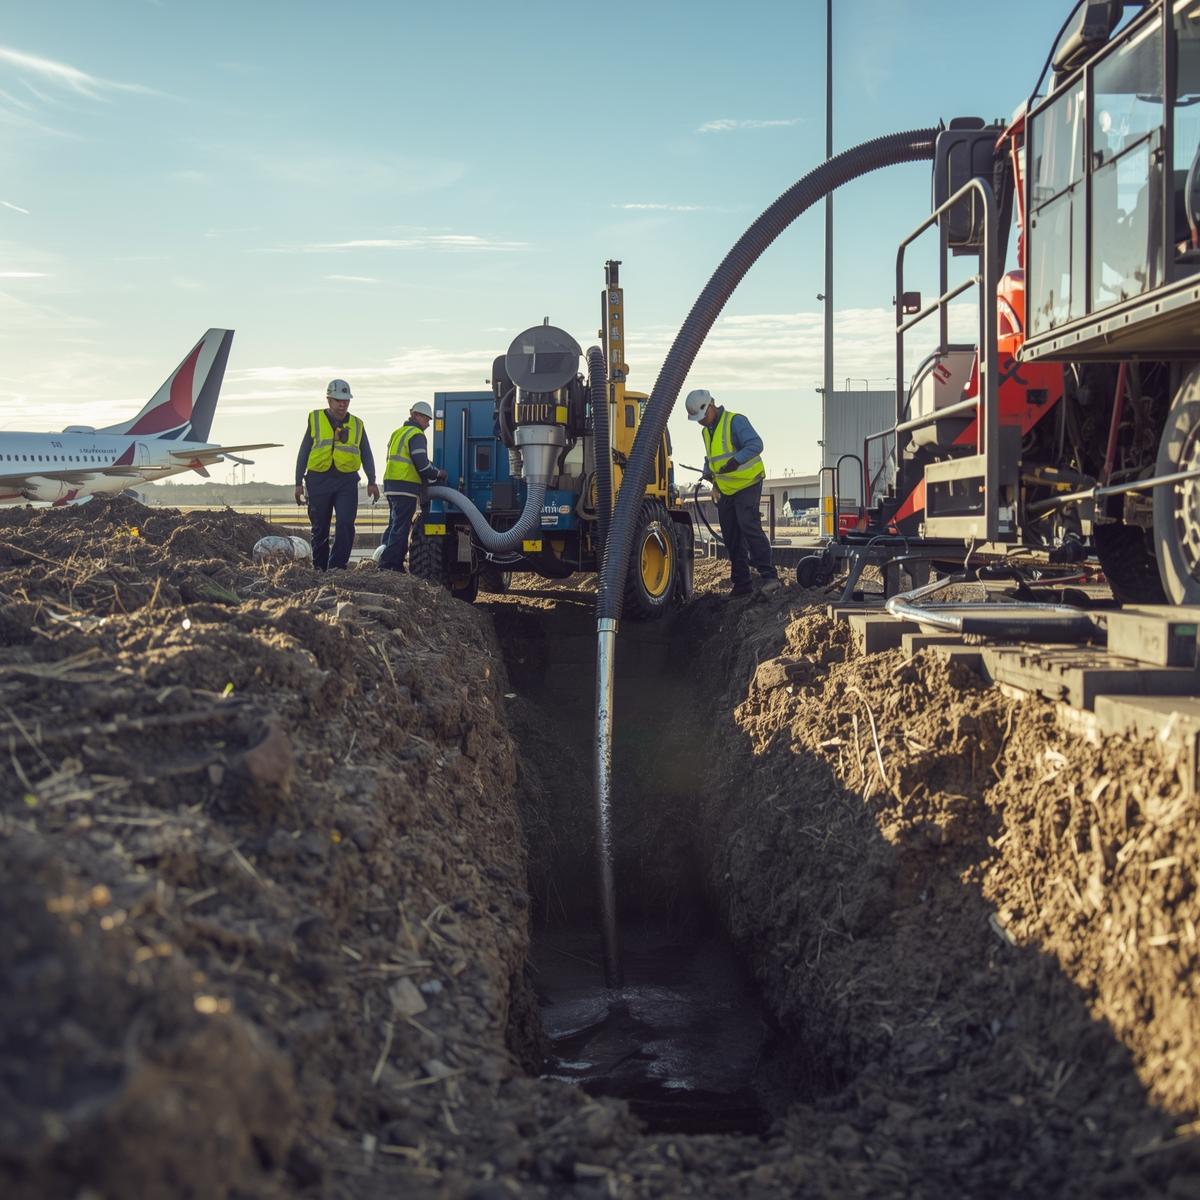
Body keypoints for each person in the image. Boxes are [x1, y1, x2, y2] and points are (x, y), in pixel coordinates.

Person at [685, 388, 781, 598]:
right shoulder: (706, 431)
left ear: (710, 406)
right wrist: (708, 472)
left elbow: (756, 444)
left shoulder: (735, 421)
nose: (701, 422)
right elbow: (712, 457)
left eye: (702, 417)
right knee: (731, 535)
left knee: (748, 525)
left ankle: (770, 577)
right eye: (698, 420)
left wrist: (735, 461)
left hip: (747, 483)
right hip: (726, 488)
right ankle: (742, 583)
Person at [294, 379, 379, 570]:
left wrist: (372, 480)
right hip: (318, 480)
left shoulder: (357, 424)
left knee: (345, 524)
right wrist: (298, 481)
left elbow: (366, 452)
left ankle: (337, 567)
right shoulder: (315, 419)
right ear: (329, 400)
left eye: (346, 400)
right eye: (339, 400)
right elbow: (304, 451)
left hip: (346, 481)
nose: (343, 404)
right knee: (320, 528)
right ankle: (320, 569)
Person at [379, 401, 445, 572]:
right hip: (405, 486)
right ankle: (390, 565)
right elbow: (422, 466)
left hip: (391, 484)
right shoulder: (416, 435)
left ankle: (384, 560)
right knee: (400, 528)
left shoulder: (398, 433)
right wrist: (438, 474)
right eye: (426, 419)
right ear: (415, 415)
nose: (428, 424)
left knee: (394, 525)